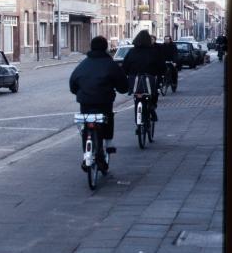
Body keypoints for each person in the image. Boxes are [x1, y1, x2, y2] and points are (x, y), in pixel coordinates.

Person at [70, 36, 129, 171]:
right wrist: (122, 88)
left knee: (86, 126)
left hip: (85, 102)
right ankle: (108, 143)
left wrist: (78, 92)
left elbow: (73, 83)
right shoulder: (110, 64)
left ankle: (86, 155)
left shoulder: (83, 64)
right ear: (105, 48)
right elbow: (123, 85)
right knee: (108, 117)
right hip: (104, 101)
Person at [122, 30, 166, 122]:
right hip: (150, 80)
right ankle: (152, 108)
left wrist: (126, 75)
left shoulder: (131, 52)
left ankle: (138, 122)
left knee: (137, 97)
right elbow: (162, 66)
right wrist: (161, 74)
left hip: (135, 81)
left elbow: (125, 67)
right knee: (154, 94)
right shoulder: (154, 52)